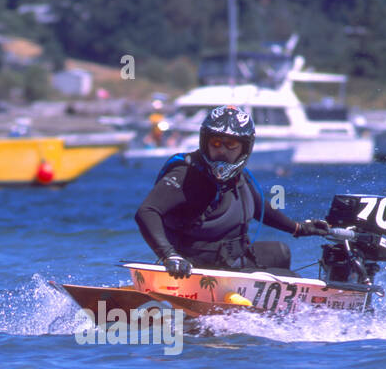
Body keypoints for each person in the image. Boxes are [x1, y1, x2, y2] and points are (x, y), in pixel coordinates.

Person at [135, 105, 330, 275]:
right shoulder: (186, 174)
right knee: (291, 279)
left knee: (281, 252)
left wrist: (300, 228)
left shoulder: (239, 177)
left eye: (231, 145)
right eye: (216, 143)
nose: (222, 151)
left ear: (244, 149)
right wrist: (170, 256)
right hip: (194, 269)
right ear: (205, 142)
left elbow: (261, 208)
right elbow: (147, 211)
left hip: (232, 260)